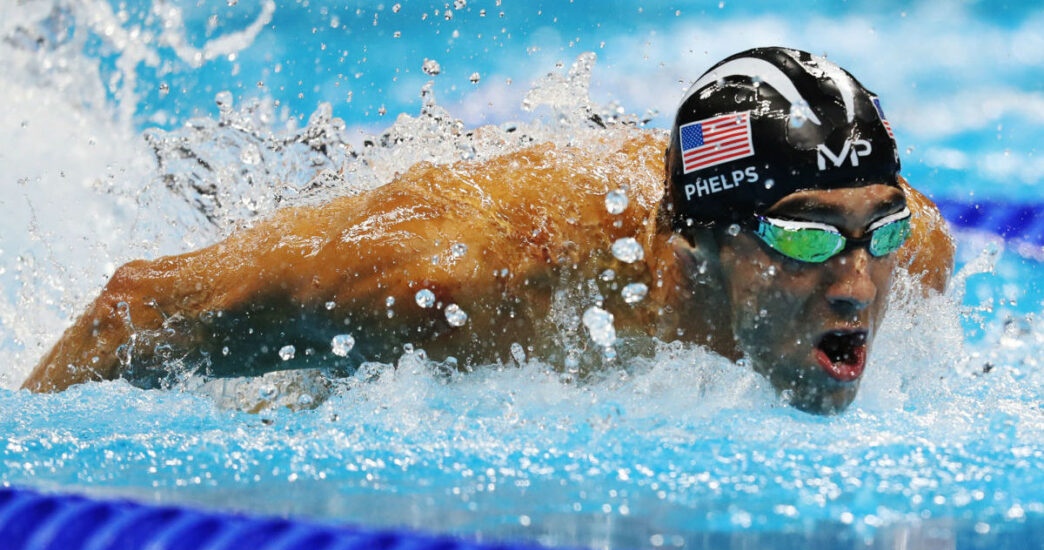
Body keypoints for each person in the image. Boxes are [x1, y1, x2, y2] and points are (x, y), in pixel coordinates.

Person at [22, 47, 954, 414]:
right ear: (699, 238)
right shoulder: (474, 280)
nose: (855, 286)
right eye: (803, 238)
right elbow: (130, 309)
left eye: (878, 232)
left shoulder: (913, 256)